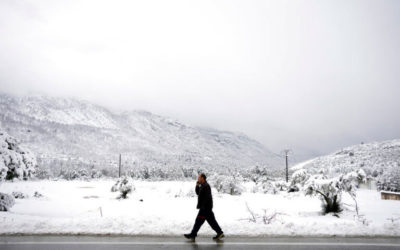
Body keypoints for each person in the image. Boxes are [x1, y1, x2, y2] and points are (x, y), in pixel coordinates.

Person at [184, 173, 224, 241]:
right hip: (206, 208)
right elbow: (198, 193)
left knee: (199, 221)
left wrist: (203, 207)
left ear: (202, 178)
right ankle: (220, 233)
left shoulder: (206, 186)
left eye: (199, 178)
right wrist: (197, 185)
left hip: (205, 208)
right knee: (211, 222)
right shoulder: (203, 185)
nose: (198, 179)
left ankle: (193, 235)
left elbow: (207, 197)